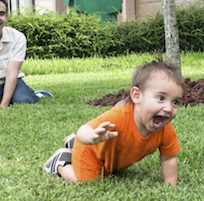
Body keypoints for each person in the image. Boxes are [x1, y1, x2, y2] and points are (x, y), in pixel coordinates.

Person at [43, 61, 184, 186]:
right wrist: (90, 137)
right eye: (160, 98)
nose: (168, 108)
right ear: (136, 95)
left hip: (109, 159)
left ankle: (73, 143)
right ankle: (61, 163)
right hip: (91, 151)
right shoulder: (119, 116)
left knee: (107, 174)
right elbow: (84, 129)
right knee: (89, 183)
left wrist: (170, 187)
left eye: (175, 102)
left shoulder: (165, 130)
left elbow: (168, 158)